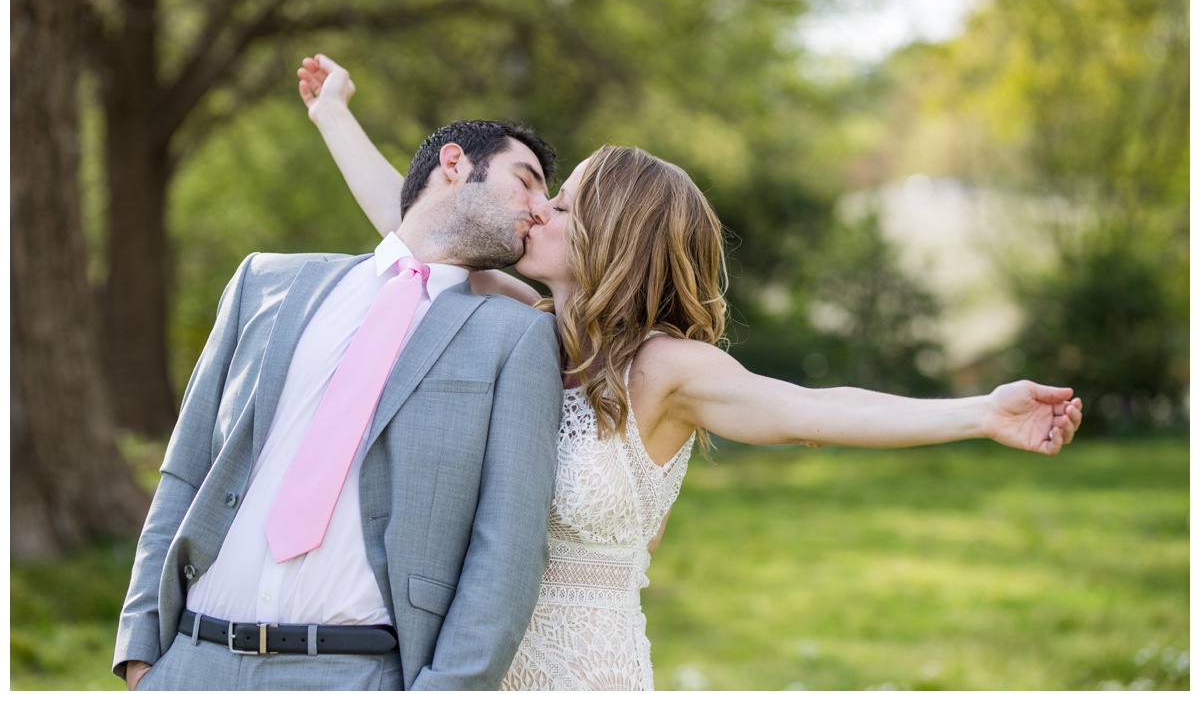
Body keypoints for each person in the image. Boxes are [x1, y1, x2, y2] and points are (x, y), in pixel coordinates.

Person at [299, 54, 1084, 691]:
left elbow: (811, 409)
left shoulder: (667, 368)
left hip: (585, 672)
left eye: (565, 206)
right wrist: (334, 114)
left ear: (615, 239)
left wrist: (980, 410)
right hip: (479, 664)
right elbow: (414, 232)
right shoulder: (523, 330)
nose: (539, 212)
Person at [112, 117, 564, 690]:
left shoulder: (515, 337)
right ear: (454, 164)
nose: (539, 207)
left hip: (357, 673)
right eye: (526, 181)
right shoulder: (265, 282)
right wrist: (142, 656)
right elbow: (186, 469)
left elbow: (509, 546)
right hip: (192, 663)